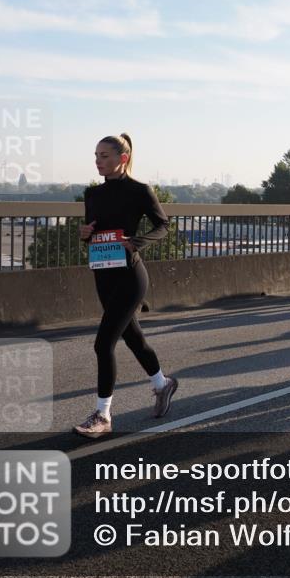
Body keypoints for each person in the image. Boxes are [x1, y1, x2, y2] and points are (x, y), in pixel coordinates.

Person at [74, 133, 177, 439]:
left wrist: (137, 242)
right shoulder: (92, 195)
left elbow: (163, 225)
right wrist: (85, 233)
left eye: (104, 156)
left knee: (103, 343)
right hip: (103, 274)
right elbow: (93, 233)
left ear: (123, 158)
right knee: (133, 338)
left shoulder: (139, 190)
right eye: (95, 155)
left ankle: (103, 415)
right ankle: (162, 384)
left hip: (131, 276)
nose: (97, 161)